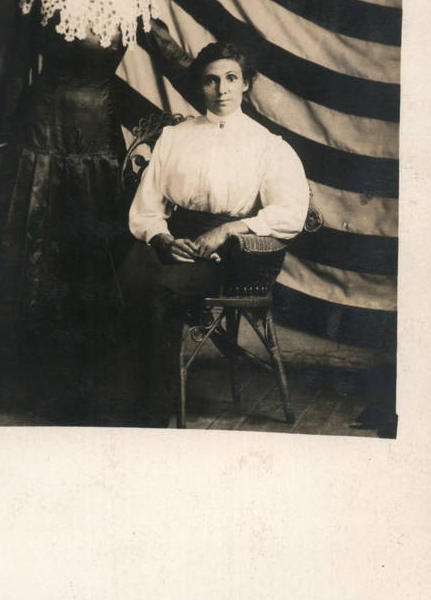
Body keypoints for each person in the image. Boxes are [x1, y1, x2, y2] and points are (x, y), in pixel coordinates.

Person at [0, 0, 190, 424]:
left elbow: (173, 61)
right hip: (39, 138)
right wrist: (3, 137)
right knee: (28, 251)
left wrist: (220, 84)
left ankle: (88, 383)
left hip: (97, 141)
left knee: (89, 253)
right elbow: (15, 70)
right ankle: (22, 382)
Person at [116, 41, 310, 427]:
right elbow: (147, 207)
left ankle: (149, 413)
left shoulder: (267, 146)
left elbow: (291, 212)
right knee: (124, 277)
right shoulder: (175, 137)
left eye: (231, 79)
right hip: (174, 240)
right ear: (200, 87)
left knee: (159, 287)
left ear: (246, 84)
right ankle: (117, 399)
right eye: (210, 81)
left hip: (229, 255)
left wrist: (229, 229)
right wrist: (161, 238)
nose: (221, 90)